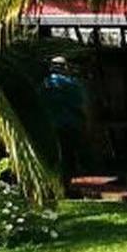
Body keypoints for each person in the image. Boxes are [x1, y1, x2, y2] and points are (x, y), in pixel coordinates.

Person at [41, 54, 89, 184]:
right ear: (65, 67)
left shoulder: (45, 84)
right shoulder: (73, 84)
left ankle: (53, 182)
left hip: (50, 125)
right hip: (70, 125)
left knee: (53, 156)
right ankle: (67, 183)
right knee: (69, 155)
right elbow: (82, 105)